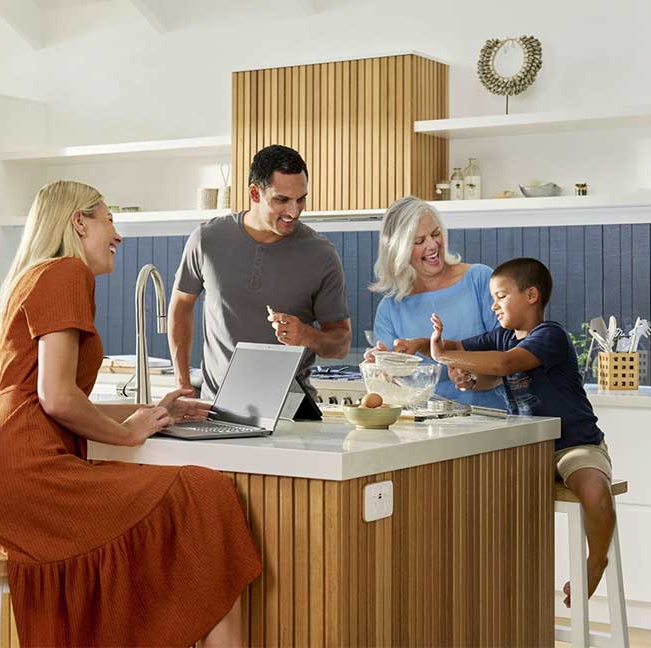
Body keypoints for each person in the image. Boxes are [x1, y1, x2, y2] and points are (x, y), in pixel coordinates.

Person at [0, 181, 261, 647]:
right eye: (108, 219)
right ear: (78, 222)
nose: (117, 234)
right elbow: (57, 399)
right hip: (27, 479)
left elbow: (49, 400)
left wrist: (153, 412)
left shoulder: (34, 274)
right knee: (206, 494)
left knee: (200, 502)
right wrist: (127, 435)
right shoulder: (66, 273)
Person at [425, 257, 615, 608]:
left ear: (531, 295)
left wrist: (445, 358)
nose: (493, 305)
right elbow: (476, 365)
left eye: (500, 296)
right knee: (487, 493)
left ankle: (595, 561)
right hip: (529, 447)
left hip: (574, 444)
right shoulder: (500, 336)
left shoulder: (549, 336)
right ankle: (502, 586)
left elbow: (505, 364)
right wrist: (446, 361)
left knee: (594, 489)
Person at [169, 144, 351, 401]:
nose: (294, 211)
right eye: (282, 200)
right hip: (217, 407)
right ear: (255, 193)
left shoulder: (321, 254)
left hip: (292, 413)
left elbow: (341, 343)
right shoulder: (207, 240)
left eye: (301, 199)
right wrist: (183, 383)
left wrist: (307, 335)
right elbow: (181, 306)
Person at [367, 195, 506, 409]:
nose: (433, 245)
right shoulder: (391, 307)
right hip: (423, 428)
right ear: (399, 250)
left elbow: (510, 358)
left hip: (491, 420)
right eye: (420, 241)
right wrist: (377, 369)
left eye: (435, 233)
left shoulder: (479, 280)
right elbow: (391, 387)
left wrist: (473, 379)